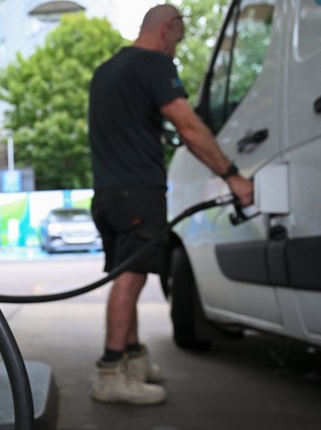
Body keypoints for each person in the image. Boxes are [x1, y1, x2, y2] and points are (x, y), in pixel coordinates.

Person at [87, 4, 254, 405]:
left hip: (107, 193)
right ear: (167, 29)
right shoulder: (154, 65)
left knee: (128, 275)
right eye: (178, 40)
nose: (176, 51)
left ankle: (133, 360)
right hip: (139, 191)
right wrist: (232, 175)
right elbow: (189, 126)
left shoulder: (106, 72)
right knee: (130, 280)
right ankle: (110, 373)